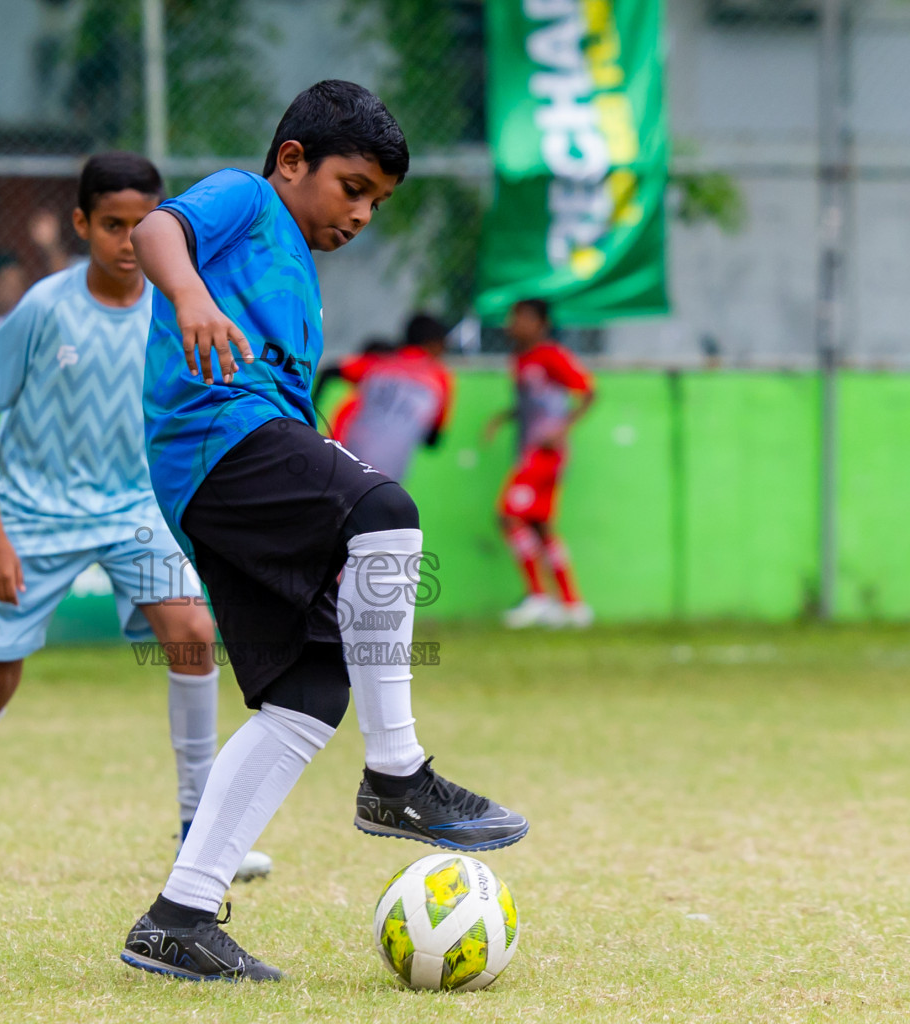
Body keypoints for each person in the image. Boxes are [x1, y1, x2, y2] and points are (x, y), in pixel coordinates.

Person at [122, 80, 528, 983]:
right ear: (295, 160)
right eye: (353, 188)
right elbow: (155, 232)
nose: (364, 214)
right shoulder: (247, 195)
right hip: (216, 440)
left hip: (227, 468)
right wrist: (189, 298)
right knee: (385, 510)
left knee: (307, 694)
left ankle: (178, 917)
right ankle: (397, 775)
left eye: (379, 203)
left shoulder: (298, 276)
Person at [0, 152, 272, 884]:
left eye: (143, 225)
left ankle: (200, 834)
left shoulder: (180, 307)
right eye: (111, 225)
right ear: (81, 225)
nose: (129, 240)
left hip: (134, 509)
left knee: (193, 634)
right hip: (35, 514)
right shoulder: (45, 306)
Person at [485, 298, 596, 629]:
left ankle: (537, 597)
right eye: (512, 317)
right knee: (539, 526)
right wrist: (504, 418)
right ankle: (574, 606)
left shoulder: (551, 355)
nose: (512, 325)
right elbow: (532, 402)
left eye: (521, 318)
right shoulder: (520, 359)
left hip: (544, 454)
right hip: (530, 451)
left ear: (541, 324)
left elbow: (588, 392)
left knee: (508, 516)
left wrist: (561, 428)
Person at [315, 313, 454, 482]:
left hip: (339, 461)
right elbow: (433, 440)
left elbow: (329, 371)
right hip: (386, 480)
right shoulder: (440, 380)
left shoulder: (380, 362)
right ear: (434, 343)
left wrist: (309, 414)